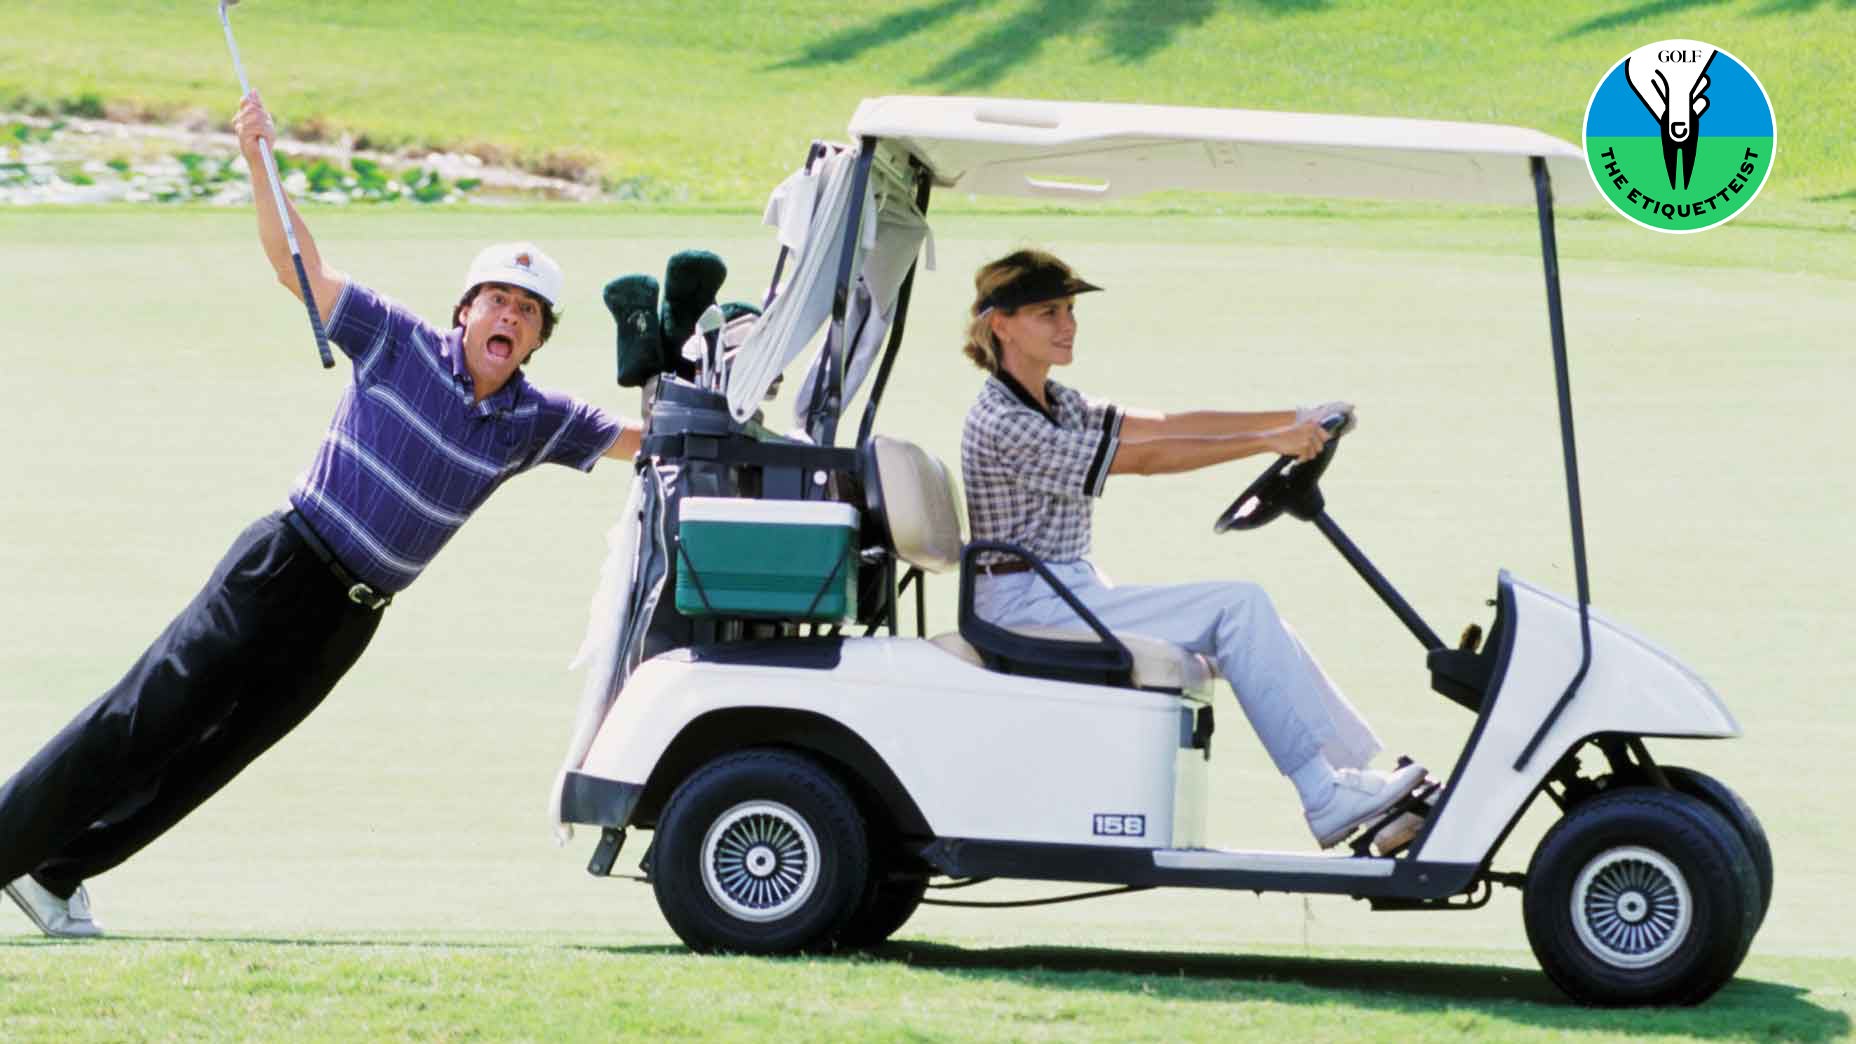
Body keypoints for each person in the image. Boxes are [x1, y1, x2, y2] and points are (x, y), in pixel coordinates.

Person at [1, 91, 643, 938]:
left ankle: (54, 875)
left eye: (526, 313)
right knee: (146, 715)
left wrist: (721, 392)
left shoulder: (538, 420)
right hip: (283, 564)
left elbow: (643, 438)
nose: (508, 317)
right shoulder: (398, 340)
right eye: (496, 300)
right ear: (466, 310)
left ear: (535, 341)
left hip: (351, 619)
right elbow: (295, 262)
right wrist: (256, 159)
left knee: (212, 756)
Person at [959, 249, 1425, 850]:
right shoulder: (1005, 421)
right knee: (1237, 608)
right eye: (1048, 312)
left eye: (1071, 309)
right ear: (1001, 324)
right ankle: (1324, 792)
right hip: (1027, 603)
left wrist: (1294, 418)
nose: (1068, 325)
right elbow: (1147, 460)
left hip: (1063, 590)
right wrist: (1267, 442)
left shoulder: (1059, 402)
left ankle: (1343, 783)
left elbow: (1165, 425)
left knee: (1245, 619)